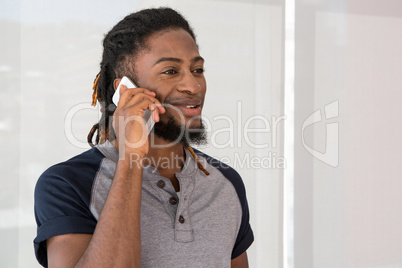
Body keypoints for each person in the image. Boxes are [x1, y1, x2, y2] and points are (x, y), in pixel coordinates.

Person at [34, 7, 253, 268]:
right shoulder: (66, 184)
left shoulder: (226, 182)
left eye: (197, 69)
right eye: (171, 71)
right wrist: (131, 159)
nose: (193, 86)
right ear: (126, 90)